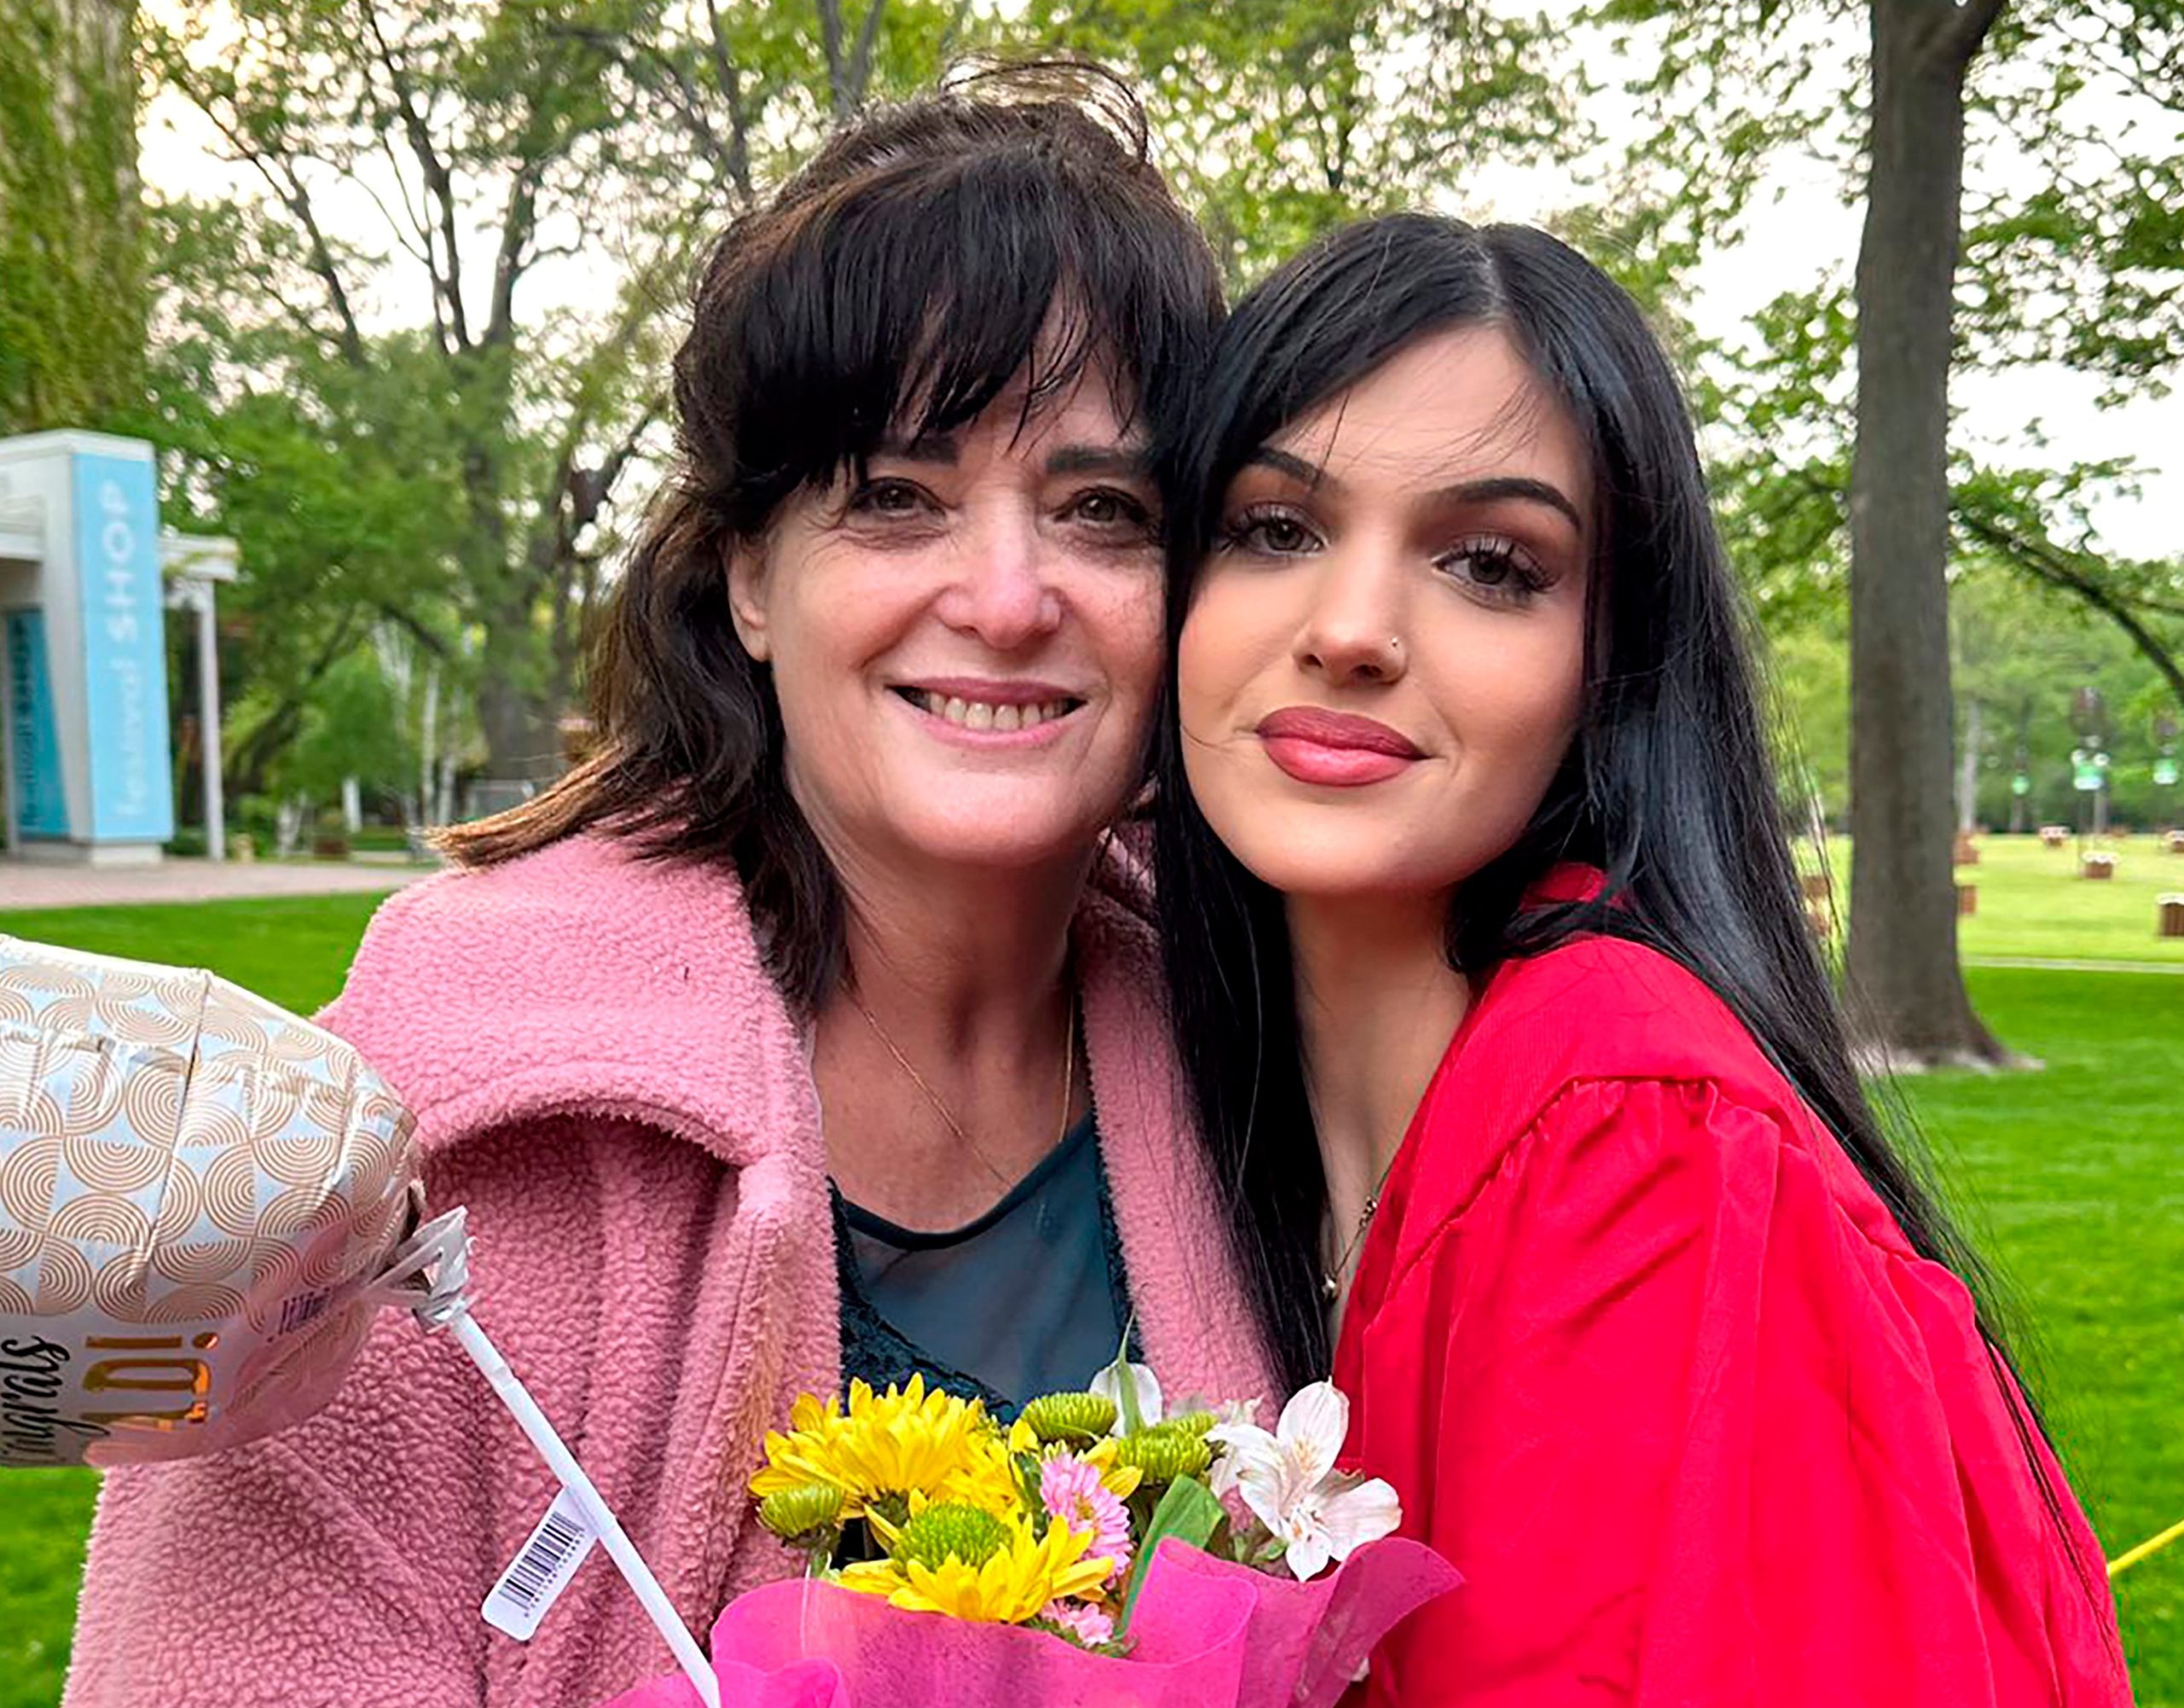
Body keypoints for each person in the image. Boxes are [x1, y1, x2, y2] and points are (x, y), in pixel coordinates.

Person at [66, 65, 1271, 1708]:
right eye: (897, 498)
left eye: (1102, 510)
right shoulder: (435, 1133)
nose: (1006, 595)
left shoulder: (1274, 1059)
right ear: (747, 581)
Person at [1154, 212, 2132, 1705]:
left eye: (1490, 563)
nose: (1350, 629)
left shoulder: (1635, 1144)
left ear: (1607, 665)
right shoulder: (1200, 1122)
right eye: (1276, 528)